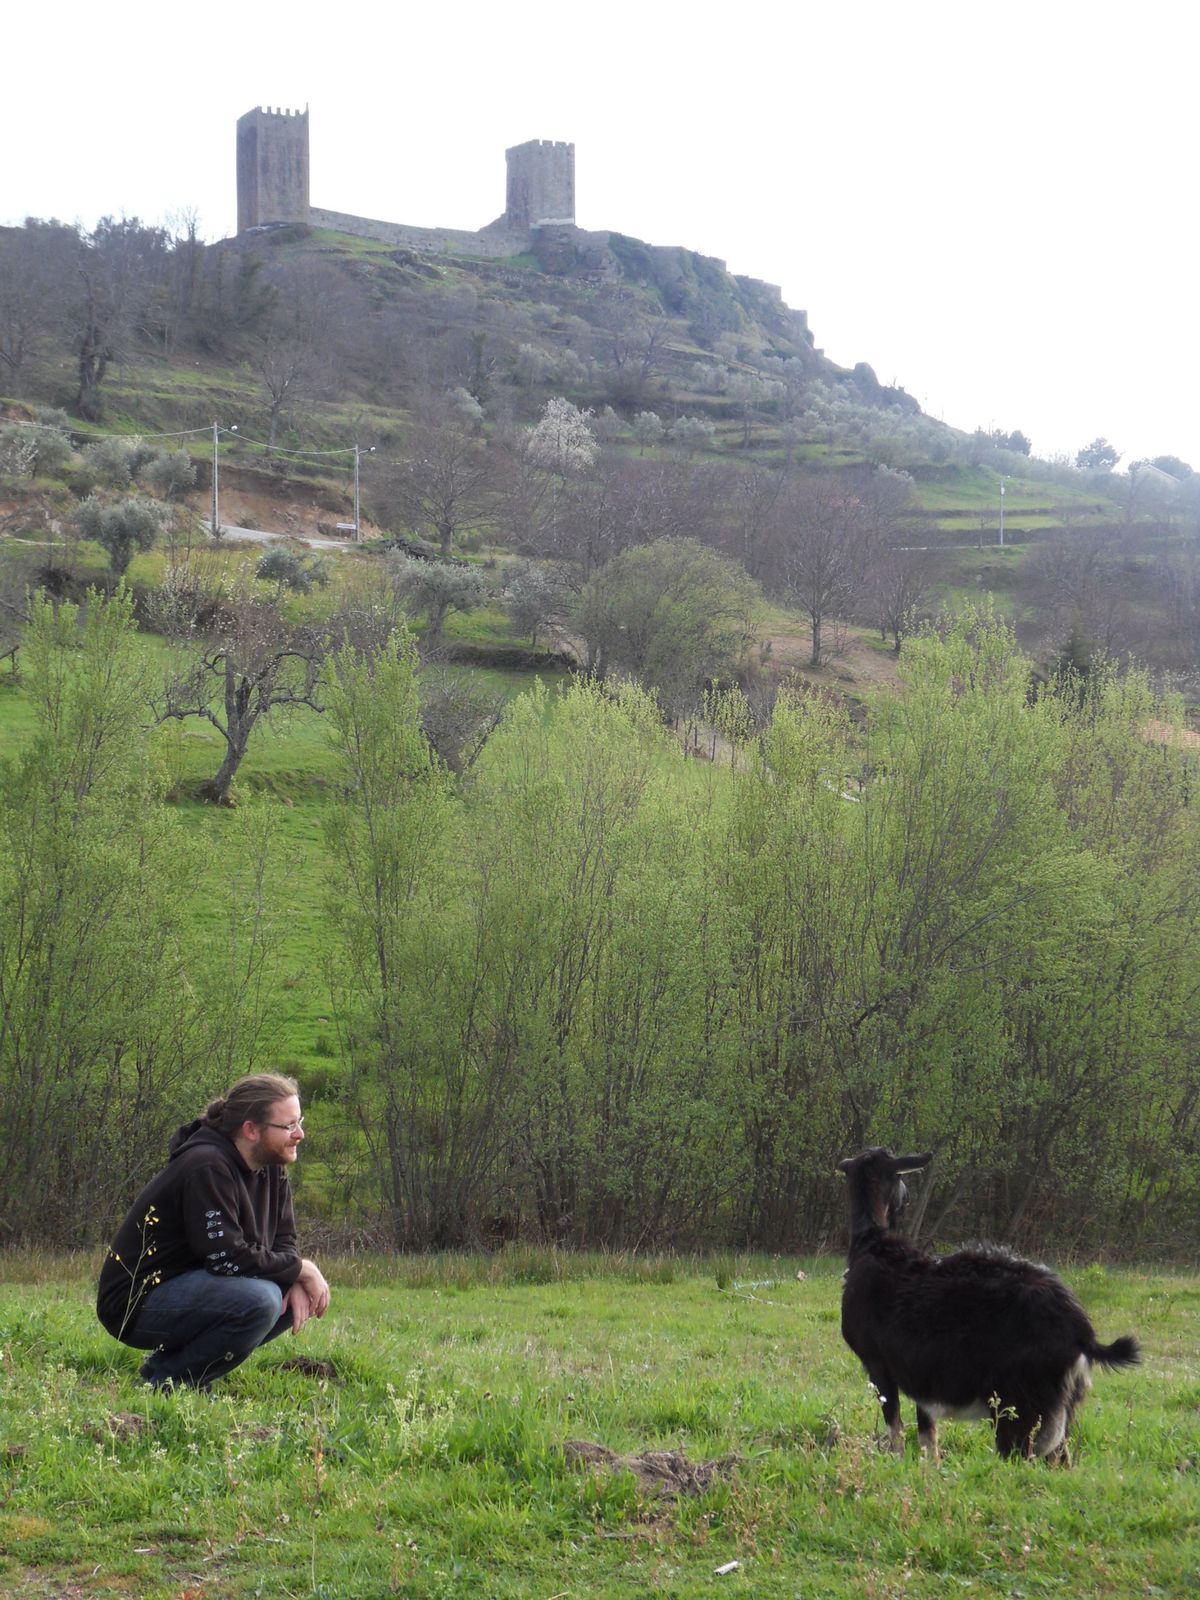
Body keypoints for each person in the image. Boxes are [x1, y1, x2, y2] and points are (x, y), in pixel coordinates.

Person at [97, 1073, 331, 1392]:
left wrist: (295, 1276)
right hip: (136, 1302)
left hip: (196, 1288)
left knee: (291, 1295)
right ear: (250, 1129)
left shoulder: (272, 1166)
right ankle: (172, 1381)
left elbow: (284, 1239)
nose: (300, 1134)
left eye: (299, 1121)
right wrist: (301, 1269)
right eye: (289, 1126)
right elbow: (226, 1258)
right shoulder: (205, 1165)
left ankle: (171, 1369)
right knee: (261, 1301)